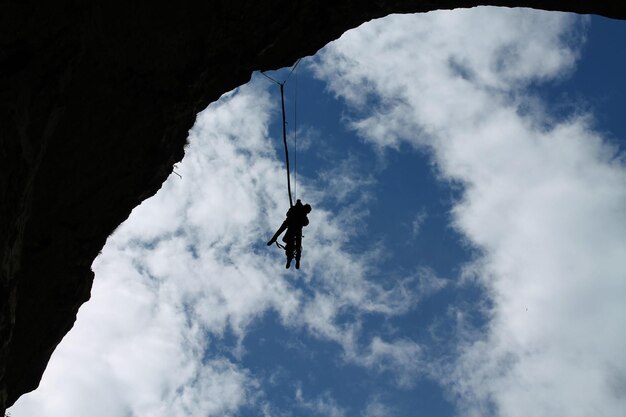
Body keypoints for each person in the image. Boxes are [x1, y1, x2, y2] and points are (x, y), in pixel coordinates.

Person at [267, 199, 311, 269]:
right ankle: (274, 239)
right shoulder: (298, 208)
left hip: (294, 229)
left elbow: (305, 223)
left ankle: (296, 259)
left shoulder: (300, 212)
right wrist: (294, 209)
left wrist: (294, 209)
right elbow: (288, 214)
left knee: (297, 245)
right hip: (291, 225)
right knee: (295, 243)